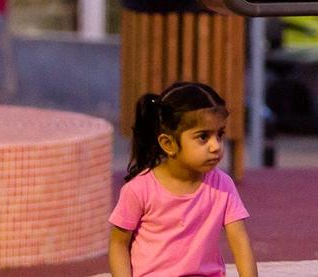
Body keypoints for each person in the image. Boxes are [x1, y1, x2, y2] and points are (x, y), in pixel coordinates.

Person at [109, 82, 257, 277]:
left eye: (219, 134)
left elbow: (239, 240)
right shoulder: (139, 190)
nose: (216, 146)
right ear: (168, 143)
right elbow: (118, 244)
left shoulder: (222, 185)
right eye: (203, 137)